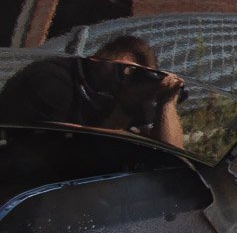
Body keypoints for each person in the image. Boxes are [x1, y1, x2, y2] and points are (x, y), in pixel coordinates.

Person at [0, 35, 186, 148]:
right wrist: (123, 109)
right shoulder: (51, 79)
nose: (127, 80)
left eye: (140, 75)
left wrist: (166, 102)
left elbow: (173, 154)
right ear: (98, 60)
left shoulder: (131, 96)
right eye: (123, 70)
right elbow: (79, 153)